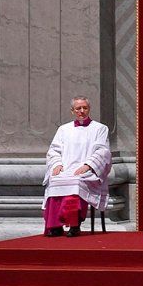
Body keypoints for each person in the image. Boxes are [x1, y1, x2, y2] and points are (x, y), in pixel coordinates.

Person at [43, 96, 111, 237]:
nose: (82, 111)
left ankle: (74, 224)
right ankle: (55, 226)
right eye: (78, 108)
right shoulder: (63, 129)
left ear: (89, 109)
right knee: (54, 180)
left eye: (85, 108)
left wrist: (89, 165)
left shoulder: (100, 128)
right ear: (72, 111)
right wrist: (57, 164)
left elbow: (103, 151)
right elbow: (54, 150)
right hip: (66, 168)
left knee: (76, 182)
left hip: (87, 170)